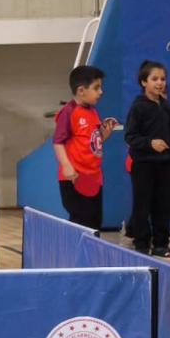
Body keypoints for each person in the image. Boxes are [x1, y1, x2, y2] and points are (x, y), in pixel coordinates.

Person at [123, 60, 170, 257]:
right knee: (143, 205)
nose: (160, 83)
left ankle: (161, 245)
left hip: (165, 164)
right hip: (143, 165)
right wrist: (150, 143)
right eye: (154, 79)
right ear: (143, 82)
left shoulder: (166, 107)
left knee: (164, 206)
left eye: (163, 79)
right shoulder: (138, 107)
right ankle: (141, 245)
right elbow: (130, 136)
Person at [53, 64, 119, 231]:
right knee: (81, 221)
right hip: (74, 177)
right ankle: (75, 248)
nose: (101, 92)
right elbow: (58, 142)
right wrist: (67, 166)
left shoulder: (93, 112)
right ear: (81, 90)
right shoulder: (68, 112)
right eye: (96, 88)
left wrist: (105, 135)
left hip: (94, 177)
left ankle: (91, 249)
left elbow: (94, 141)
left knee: (95, 221)